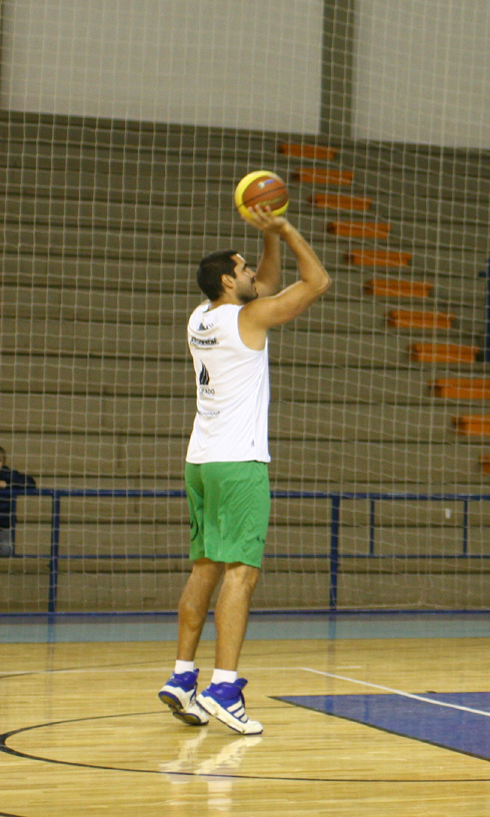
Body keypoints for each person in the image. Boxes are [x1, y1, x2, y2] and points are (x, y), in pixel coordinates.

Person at [157, 204, 330, 734]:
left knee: (205, 566)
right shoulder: (249, 317)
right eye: (246, 269)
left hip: (201, 460)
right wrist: (284, 228)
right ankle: (225, 686)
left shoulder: (202, 316)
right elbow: (317, 280)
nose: (255, 274)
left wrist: (265, 245)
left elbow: (268, 283)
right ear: (230, 280)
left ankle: (183, 675)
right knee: (242, 573)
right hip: (239, 462)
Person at [0, 447, 39, 557]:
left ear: (3, 463)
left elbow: (30, 483)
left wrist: (7, 484)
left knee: (6, 550)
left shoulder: (8, 474)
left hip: (3, 525)